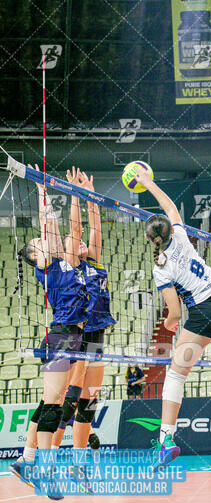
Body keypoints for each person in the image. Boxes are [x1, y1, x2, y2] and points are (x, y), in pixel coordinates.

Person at [134, 167, 211, 467]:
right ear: (168, 230)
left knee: (176, 373)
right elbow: (170, 207)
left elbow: (174, 312)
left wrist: (169, 322)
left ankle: (166, 440)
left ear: (152, 240)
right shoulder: (181, 234)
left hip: (203, 311)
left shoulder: (160, 267)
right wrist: (148, 183)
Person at [9, 165, 88, 497]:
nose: (44, 241)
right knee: (55, 404)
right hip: (61, 335)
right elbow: (52, 225)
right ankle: (45, 470)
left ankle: (26, 459)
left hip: (71, 335)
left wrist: (44, 187)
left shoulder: (58, 261)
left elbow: (55, 227)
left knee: (52, 400)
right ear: (35, 257)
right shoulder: (49, 266)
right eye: (37, 243)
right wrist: (43, 190)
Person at [52, 168, 116, 451]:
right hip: (76, 333)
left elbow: (95, 230)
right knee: (71, 398)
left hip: (97, 331)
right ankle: (49, 454)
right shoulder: (70, 264)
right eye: (71, 241)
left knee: (90, 398)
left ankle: (79, 461)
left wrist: (91, 196)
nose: (77, 242)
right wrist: (75, 193)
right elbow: (76, 228)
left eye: (79, 242)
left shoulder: (94, 263)